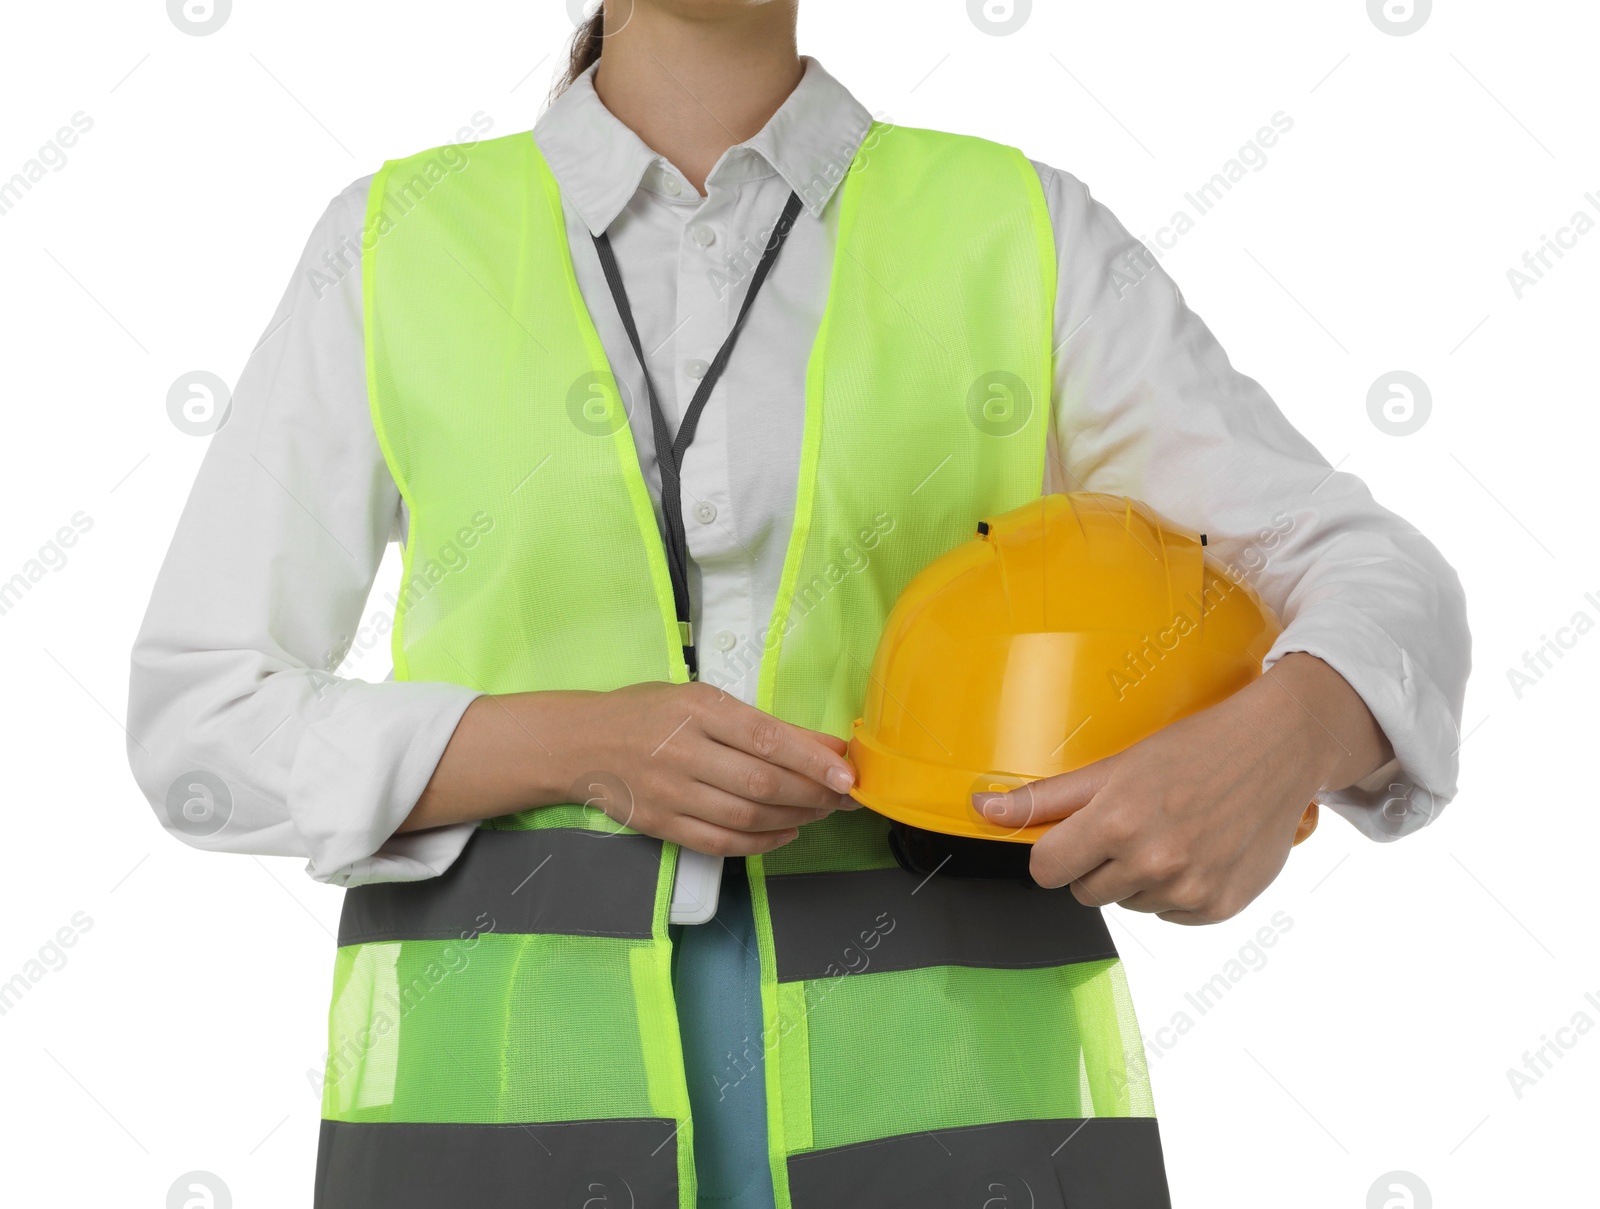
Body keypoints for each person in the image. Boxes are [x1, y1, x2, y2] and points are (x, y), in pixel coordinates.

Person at [127, 2, 1470, 1206]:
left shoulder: (1016, 226)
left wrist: (1287, 733)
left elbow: (1377, 573)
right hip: (498, 1128)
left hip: (961, 1121)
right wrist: (581, 744)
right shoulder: (394, 241)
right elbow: (201, 720)